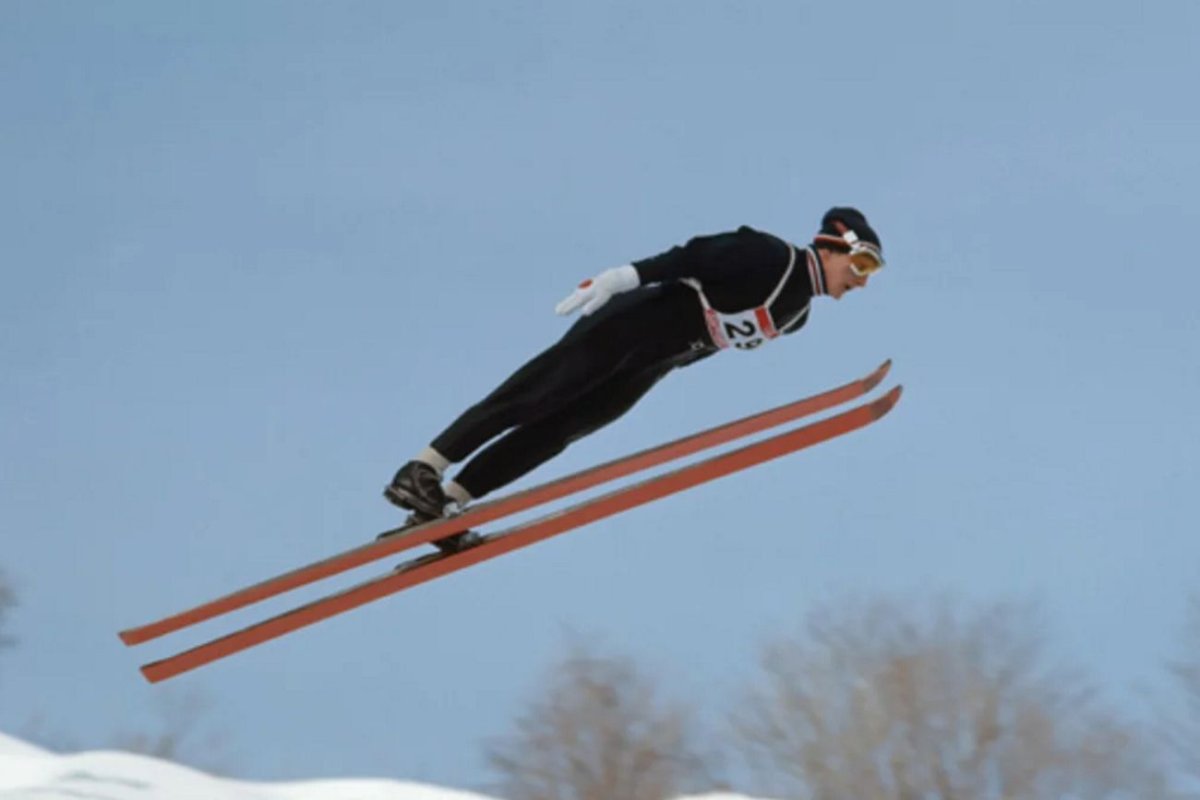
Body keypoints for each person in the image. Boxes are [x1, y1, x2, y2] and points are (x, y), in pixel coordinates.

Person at [383, 207, 885, 552]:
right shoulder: (771, 255)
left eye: (872, 272)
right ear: (832, 246)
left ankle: (449, 505)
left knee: (559, 432)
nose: (862, 279)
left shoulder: (797, 318)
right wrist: (620, 278)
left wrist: (668, 363)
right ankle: (422, 470)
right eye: (861, 262)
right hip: (632, 324)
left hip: (655, 361)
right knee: (532, 398)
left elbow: (717, 339)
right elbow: (690, 256)